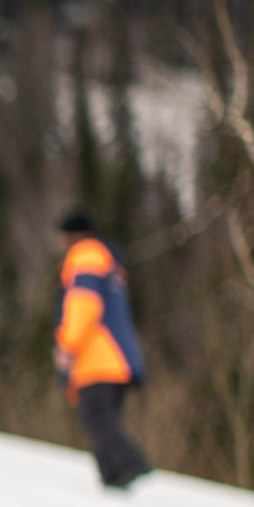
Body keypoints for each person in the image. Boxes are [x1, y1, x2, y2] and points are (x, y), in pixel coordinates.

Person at [52, 208, 153, 491]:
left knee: (96, 417)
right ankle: (114, 478)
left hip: (98, 357)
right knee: (101, 418)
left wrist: (67, 347)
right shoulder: (109, 262)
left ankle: (131, 463)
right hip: (118, 358)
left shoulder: (85, 256)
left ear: (72, 235)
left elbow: (84, 304)